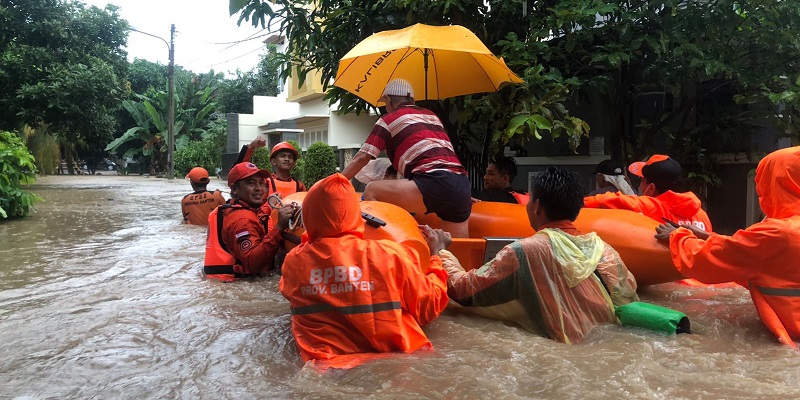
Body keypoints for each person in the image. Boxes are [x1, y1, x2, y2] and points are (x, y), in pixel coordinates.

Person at [440, 167, 639, 344]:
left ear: (536, 206)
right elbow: (627, 305)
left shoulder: (525, 251)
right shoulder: (605, 250)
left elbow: (464, 291)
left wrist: (441, 252)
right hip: (608, 350)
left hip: (562, 357)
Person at [279, 173, 450, 369]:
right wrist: (437, 255)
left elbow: (288, 293)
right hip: (398, 363)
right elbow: (429, 306)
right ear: (355, 213)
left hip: (325, 370)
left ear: (309, 214)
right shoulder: (391, 254)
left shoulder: (294, 262)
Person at [655, 146, 800, 348]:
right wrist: (707, 236)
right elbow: (748, 252)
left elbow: (705, 262)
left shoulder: (776, 233)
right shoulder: (778, 234)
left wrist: (677, 236)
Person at [340, 78, 472, 238]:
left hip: (432, 182)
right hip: (461, 186)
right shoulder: (432, 116)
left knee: (371, 190)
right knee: (455, 255)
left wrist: (335, 183)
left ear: (388, 100)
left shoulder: (388, 120)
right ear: (413, 100)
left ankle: (386, 247)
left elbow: (362, 157)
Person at [203, 162, 295, 281]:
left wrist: (269, 205)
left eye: (261, 183)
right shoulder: (242, 220)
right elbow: (253, 263)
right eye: (251, 183)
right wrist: (279, 227)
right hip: (235, 285)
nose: (259, 188)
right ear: (235, 189)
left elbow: (255, 216)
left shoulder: (233, 208)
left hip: (222, 282)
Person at [584, 154, 712, 231]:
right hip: (698, 276)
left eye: (642, 180)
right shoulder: (701, 214)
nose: (640, 184)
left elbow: (606, 200)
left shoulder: (649, 206)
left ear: (650, 188)